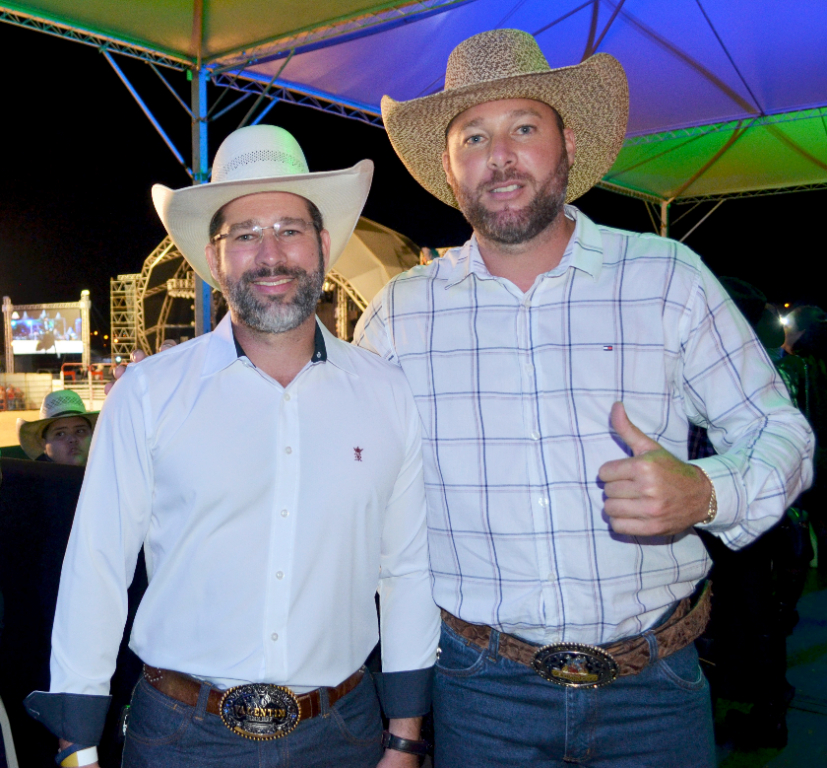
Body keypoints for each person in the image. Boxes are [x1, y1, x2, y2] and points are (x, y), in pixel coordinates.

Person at [354, 29, 813, 766]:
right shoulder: (400, 315)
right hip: (480, 691)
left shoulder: (667, 277)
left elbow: (780, 431)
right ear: (448, 165)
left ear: (566, 143)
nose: (498, 156)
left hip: (654, 688)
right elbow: (350, 482)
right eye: (473, 137)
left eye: (523, 129)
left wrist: (704, 492)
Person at [25, 125, 440, 768]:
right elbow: (97, 568)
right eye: (244, 235)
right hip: (181, 739)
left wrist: (406, 736)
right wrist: (77, 743)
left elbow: (406, 568)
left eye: (289, 229)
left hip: (345, 735)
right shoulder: (148, 393)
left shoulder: (386, 393)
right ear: (215, 261)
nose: (270, 254)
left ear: (324, 245)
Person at [16, 390, 97, 466]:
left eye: (80, 431)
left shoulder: (105, 471)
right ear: (43, 443)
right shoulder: (33, 479)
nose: (72, 439)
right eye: (60, 434)